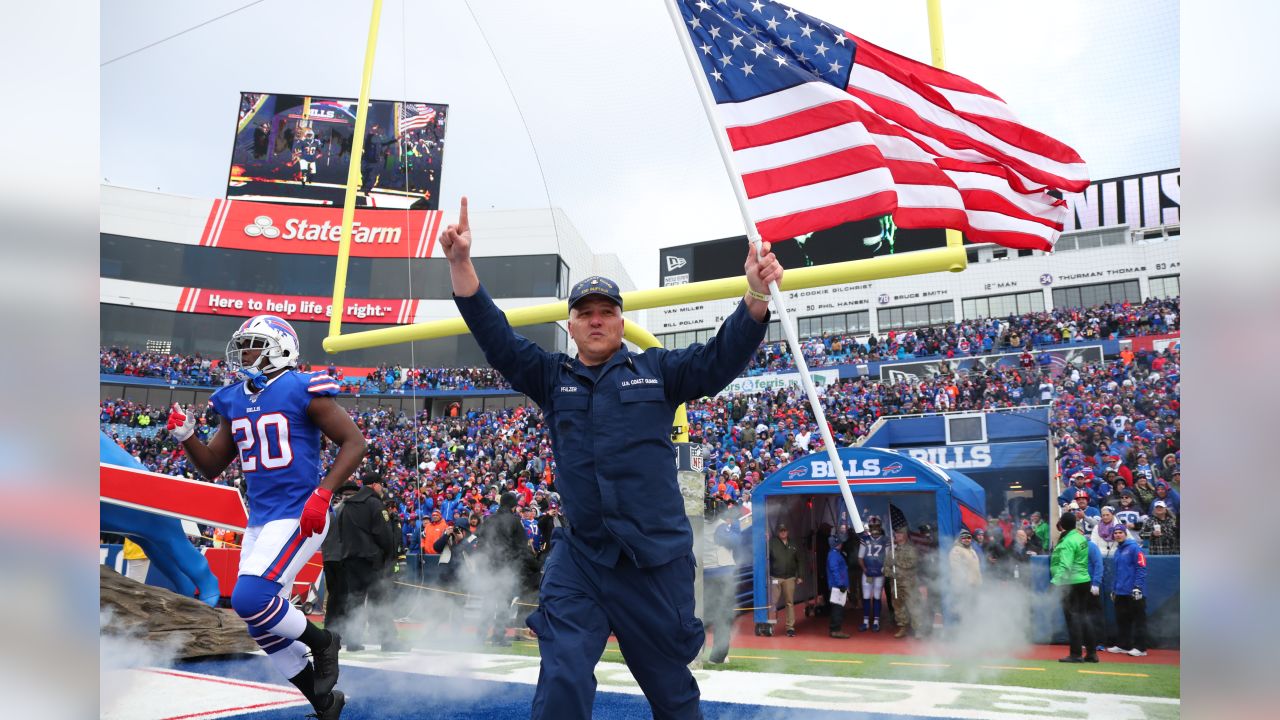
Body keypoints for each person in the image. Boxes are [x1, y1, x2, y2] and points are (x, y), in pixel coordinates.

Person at [439, 196, 783, 719]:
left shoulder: (658, 370)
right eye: (585, 313)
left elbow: (718, 361)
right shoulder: (552, 377)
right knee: (561, 678)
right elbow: (497, 339)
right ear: (571, 325)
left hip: (654, 562)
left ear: (622, 322)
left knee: (672, 692)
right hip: (582, 558)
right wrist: (462, 265)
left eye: (606, 312)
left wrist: (755, 296)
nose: (596, 321)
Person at [166, 314, 367, 718]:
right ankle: (325, 703)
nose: (245, 353)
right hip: (260, 519)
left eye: (254, 345)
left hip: (298, 511)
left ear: (282, 349)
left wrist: (323, 493)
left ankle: (323, 641)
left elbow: (355, 443)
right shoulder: (234, 398)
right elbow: (212, 465)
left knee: (249, 598)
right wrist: (187, 438)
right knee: (260, 623)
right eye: (243, 345)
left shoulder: (301, 387)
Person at [339, 473, 404, 653]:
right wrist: (388, 557)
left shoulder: (347, 505)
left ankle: (352, 640)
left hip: (350, 559)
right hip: (371, 560)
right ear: (375, 485)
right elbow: (383, 534)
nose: (382, 489)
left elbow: (340, 532)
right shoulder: (374, 503)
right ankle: (388, 640)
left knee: (355, 600)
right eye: (381, 486)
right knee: (379, 600)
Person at [1050, 513, 1098, 663]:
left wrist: (1054, 582)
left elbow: (1065, 565)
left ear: (1062, 524)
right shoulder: (1080, 537)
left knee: (1073, 619)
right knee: (1084, 617)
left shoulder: (1067, 542)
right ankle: (1091, 653)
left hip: (1071, 583)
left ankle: (1076, 654)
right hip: (1084, 580)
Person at [703, 501, 743, 661]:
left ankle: (696, 653)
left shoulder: (697, 525)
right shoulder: (720, 526)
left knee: (702, 616)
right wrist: (734, 525)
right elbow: (735, 541)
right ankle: (718, 656)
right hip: (722, 574)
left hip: (704, 575)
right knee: (724, 616)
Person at [320, 483, 359, 641]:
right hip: (343, 558)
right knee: (346, 597)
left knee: (333, 597)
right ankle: (347, 633)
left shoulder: (331, 512)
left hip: (328, 557)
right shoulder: (350, 512)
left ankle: (329, 630)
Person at [1107, 525, 1150, 657]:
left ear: (1126, 534)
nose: (1118, 535)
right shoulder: (1118, 551)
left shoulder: (1135, 548)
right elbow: (1118, 572)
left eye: (1120, 532)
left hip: (1134, 591)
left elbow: (1141, 568)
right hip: (1121, 592)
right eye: (1116, 533)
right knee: (1122, 620)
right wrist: (1114, 589)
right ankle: (1123, 645)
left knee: (1139, 620)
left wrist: (1138, 587)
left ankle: (1141, 648)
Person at [768, 523, 804, 638]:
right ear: (778, 532)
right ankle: (771, 626)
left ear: (788, 531)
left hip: (789, 577)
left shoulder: (793, 544)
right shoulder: (771, 543)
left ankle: (790, 627)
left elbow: (800, 561)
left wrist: (800, 576)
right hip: (776, 577)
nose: (783, 532)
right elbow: (765, 558)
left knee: (789, 602)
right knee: (773, 602)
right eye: (781, 531)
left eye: (785, 530)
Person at [885, 525, 921, 639]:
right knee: (898, 606)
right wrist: (890, 573)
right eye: (896, 533)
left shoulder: (911, 549)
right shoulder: (892, 550)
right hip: (896, 583)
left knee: (913, 605)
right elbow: (886, 566)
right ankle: (902, 627)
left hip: (909, 583)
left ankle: (918, 629)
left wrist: (897, 565)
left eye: (899, 534)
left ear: (905, 535)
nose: (896, 535)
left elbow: (912, 563)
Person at [857, 515, 888, 632]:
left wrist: (884, 568)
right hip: (867, 573)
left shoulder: (886, 540)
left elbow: (888, 557)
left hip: (879, 573)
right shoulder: (865, 540)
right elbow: (860, 557)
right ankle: (865, 622)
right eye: (872, 526)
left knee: (876, 597)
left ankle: (876, 621)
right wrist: (865, 569)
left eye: (876, 526)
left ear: (880, 526)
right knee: (865, 597)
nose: (874, 528)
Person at [947, 530, 981, 626]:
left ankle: (969, 630)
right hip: (962, 587)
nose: (966, 540)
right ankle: (959, 632)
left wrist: (979, 582)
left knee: (971, 609)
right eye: (964, 537)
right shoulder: (956, 550)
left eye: (969, 537)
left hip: (973, 586)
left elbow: (976, 569)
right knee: (961, 610)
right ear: (960, 539)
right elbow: (956, 568)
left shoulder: (972, 551)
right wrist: (965, 584)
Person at [826, 535, 851, 639]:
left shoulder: (834, 554)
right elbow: (835, 570)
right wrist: (841, 584)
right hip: (837, 586)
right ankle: (836, 630)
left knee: (837, 608)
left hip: (837, 585)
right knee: (838, 608)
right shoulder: (834, 555)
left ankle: (834, 629)